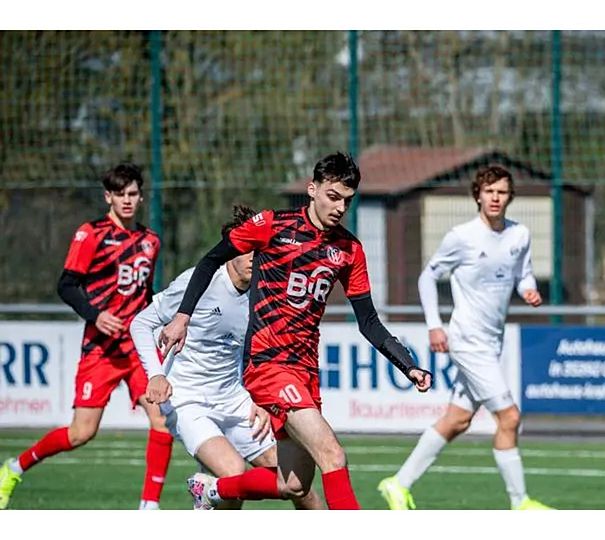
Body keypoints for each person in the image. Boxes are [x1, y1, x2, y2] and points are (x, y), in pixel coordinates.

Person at [158, 152, 433, 510]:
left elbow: (368, 321)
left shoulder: (349, 250)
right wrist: (183, 316)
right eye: (333, 196)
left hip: (305, 370)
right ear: (312, 189)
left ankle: (212, 490)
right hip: (268, 366)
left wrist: (407, 364)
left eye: (347, 201)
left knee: (293, 484)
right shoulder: (271, 225)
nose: (340, 207)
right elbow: (211, 259)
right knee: (332, 454)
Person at [378, 165, 552, 510]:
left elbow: (524, 275)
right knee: (509, 418)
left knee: (457, 420)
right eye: (489, 191)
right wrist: (434, 325)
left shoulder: (519, 235)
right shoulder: (462, 237)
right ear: (478, 195)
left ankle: (397, 484)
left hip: (492, 341)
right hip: (468, 340)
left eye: (502, 192)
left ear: (510, 197)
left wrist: (529, 290)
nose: (495, 198)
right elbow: (427, 277)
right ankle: (521, 503)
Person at [0, 163, 172, 510]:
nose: (127, 200)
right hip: (101, 350)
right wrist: (96, 315)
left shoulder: (150, 241)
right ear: (108, 197)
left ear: (141, 197)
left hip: (137, 349)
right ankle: (14, 468)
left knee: (162, 419)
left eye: (133, 194)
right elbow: (67, 285)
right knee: (81, 432)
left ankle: (149, 508)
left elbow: (144, 293)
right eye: (120, 194)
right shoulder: (91, 234)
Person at [130, 205, 323, 510]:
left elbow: (261, 355)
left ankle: (207, 495)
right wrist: (156, 374)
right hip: (188, 400)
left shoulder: (265, 293)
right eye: (248, 249)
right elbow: (140, 323)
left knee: (298, 483)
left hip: (235, 399)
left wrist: (262, 399)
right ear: (231, 248)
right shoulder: (198, 283)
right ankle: (210, 492)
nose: (254, 257)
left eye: (260, 250)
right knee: (233, 474)